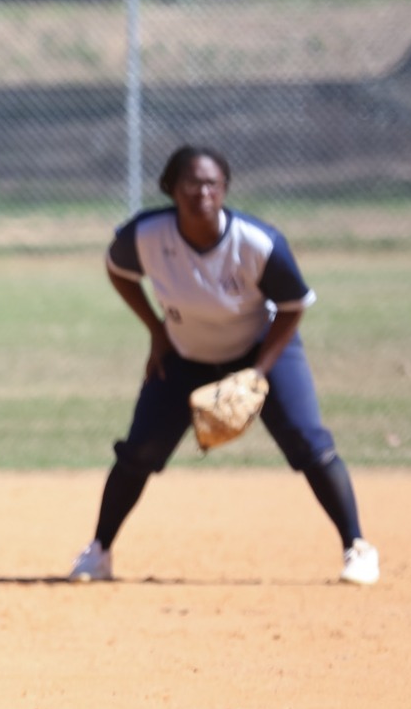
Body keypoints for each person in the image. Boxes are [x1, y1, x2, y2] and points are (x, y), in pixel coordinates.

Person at [69, 144, 378, 586]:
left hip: (260, 350)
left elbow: (293, 305)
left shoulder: (257, 243)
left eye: (213, 183)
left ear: (225, 189)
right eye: (192, 182)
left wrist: (259, 372)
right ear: (172, 189)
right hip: (183, 353)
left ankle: (358, 547)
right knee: (139, 451)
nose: (203, 191)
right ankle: (98, 552)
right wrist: (157, 331)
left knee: (309, 443)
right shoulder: (146, 235)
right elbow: (118, 269)